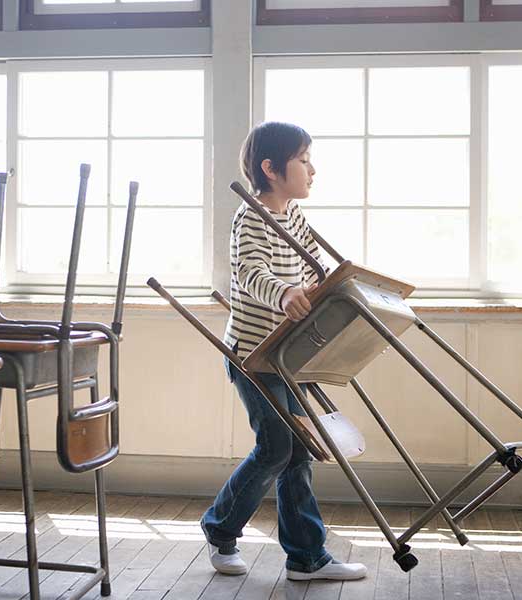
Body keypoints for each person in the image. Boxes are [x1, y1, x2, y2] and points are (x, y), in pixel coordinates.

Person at [200, 121, 368, 581]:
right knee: (277, 447)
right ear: (271, 168)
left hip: (287, 354)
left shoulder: (292, 214)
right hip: (253, 355)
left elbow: (314, 263)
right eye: (304, 160)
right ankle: (220, 529)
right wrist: (286, 293)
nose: (313, 169)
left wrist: (330, 287)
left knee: (298, 450)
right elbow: (252, 273)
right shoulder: (251, 216)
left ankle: (306, 559)